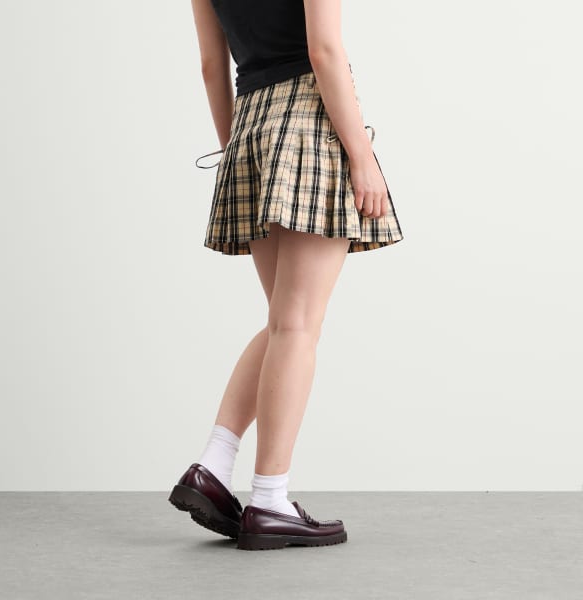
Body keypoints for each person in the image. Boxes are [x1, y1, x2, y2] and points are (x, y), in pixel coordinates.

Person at [169, 0, 404, 551]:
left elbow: (212, 65)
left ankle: (213, 463)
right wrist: (362, 156)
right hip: (310, 117)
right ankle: (270, 500)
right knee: (296, 325)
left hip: (249, 123)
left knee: (283, 322)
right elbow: (323, 51)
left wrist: (236, 149)